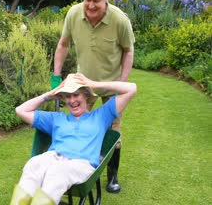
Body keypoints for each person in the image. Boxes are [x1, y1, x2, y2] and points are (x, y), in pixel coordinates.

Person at [51, 0, 135, 193]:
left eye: (95, 1)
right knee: (78, 127)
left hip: (110, 85)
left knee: (113, 130)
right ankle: (75, 172)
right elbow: (63, 44)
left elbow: (128, 51)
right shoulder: (73, 14)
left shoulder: (119, 20)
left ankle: (112, 176)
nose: (90, 5)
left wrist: (121, 84)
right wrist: (56, 76)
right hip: (83, 85)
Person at [10, 73, 137, 205]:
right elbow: (21, 110)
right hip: (53, 157)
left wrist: (94, 84)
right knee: (33, 164)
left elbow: (131, 88)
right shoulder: (57, 119)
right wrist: (47, 96)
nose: (72, 100)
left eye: (76, 94)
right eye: (68, 96)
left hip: (81, 163)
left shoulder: (100, 116)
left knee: (57, 172)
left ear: (86, 95)